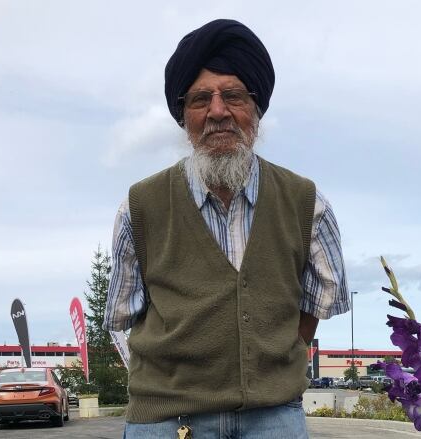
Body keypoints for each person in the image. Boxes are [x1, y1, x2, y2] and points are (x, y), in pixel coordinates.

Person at [103, 19, 349, 439]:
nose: (217, 112)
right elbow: (123, 316)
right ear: (184, 117)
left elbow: (319, 302)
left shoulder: (308, 204)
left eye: (232, 95)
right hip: (166, 422)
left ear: (255, 108)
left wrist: (272, 361)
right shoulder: (140, 207)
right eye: (201, 99)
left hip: (273, 417)